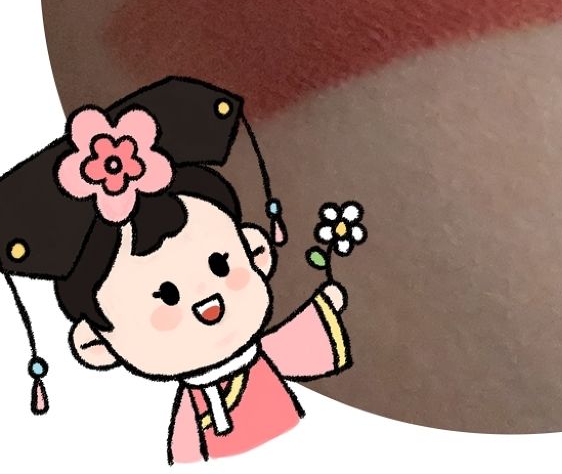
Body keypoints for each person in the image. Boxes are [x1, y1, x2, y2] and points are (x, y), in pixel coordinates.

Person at [0, 76, 357, 464]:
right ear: (96, 344)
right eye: (166, 296)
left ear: (255, 251)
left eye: (220, 264)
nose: (207, 300)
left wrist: (327, 301)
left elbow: (301, 344)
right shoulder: (183, 429)